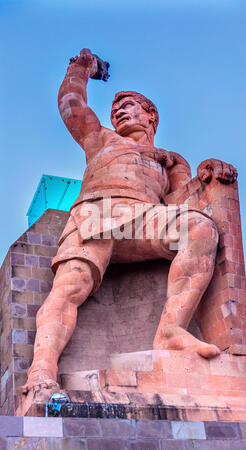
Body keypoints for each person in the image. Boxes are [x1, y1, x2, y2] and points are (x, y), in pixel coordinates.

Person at [22, 49, 222, 394]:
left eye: (128, 104)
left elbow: (179, 203)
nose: (117, 110)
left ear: (151, 115)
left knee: (199, 227)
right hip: (96, 213)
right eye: (115, 108)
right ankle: (41, 369)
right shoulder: (100, 139)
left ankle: (172, 330)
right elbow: (72, 104)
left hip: (143, 218)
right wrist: (79, 70)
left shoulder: (170, 160)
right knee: (71, 286)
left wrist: (210, 173)